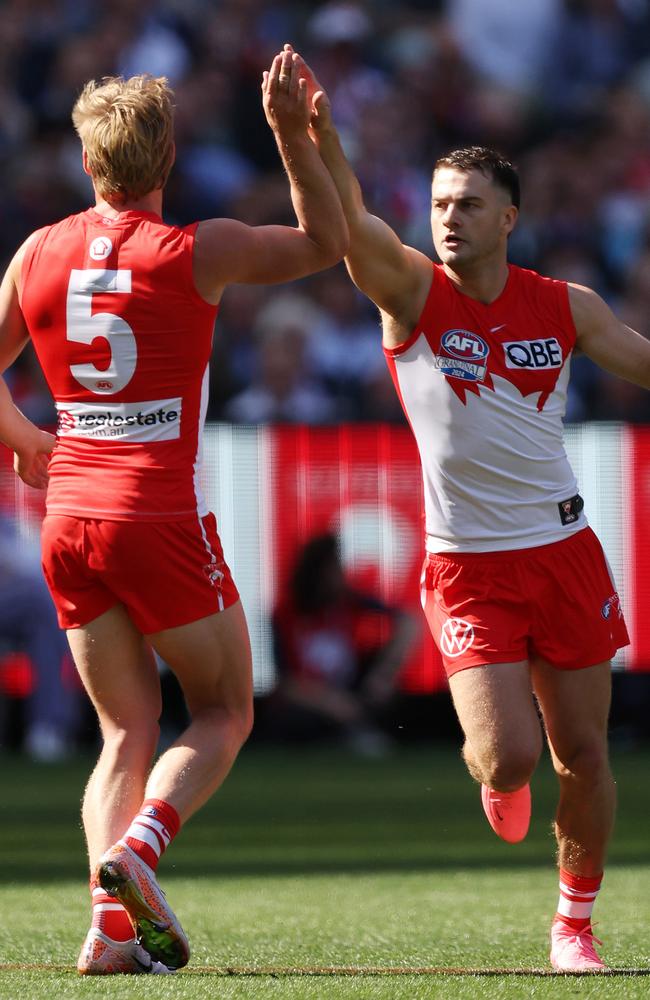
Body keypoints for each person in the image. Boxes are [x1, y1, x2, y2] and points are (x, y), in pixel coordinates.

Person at [293, 48, 646, 972]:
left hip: (565, 551)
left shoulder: (564, 305)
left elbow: (640, 360)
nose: (450, 218)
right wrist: (324, 140)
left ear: (510, 218)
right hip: (468, 567)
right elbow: (354, 226)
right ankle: (496, 777)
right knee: (510, 761)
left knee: (585, 755)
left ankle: (574, 923)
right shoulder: (410, 291)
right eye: (442, 203)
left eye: (470, 205)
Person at [0, 49, 347, 976]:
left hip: (68, 518)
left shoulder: (36, 253)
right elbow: (327, 242)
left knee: (123, 730)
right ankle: (142, 849)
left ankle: (109, 936)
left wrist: (27, 437)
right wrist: (289, 136)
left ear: (87, 161)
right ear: (170, 159)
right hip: (155, 513)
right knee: (227, 708)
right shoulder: (200, 249)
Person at [270, 532, 418, 756]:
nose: (341, 575)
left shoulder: (350, 602)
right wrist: (332, 703)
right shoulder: (285, 613)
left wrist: (384, 674)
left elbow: (409, 621)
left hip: (351, 692)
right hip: (309, 705)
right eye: (334, 568)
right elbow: (286, 682)